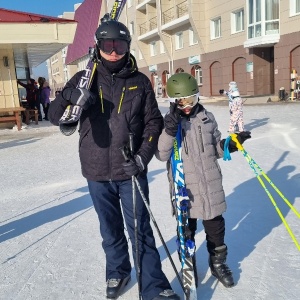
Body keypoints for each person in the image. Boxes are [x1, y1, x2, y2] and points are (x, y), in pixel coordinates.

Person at [48, 20, 180, 300]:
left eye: (119, 45)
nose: (114, 52)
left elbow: (153, 123)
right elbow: (54, 115)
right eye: (107, 45)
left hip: (130, 168)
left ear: (127, 47)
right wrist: (69, 95)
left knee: (139, 230)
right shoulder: (84, 78)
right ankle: (118, 271)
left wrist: (143, 157)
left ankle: (154, 287)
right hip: (96, 171)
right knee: (109, 229)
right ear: (98, 46)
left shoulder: (140, 81)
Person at [155, 73, 251, 289]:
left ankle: (218, 263)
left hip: (210, 186)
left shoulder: (207, 118)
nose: (187, 106)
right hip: (186, 189)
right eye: (181, 102)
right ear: (172, 102)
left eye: (192, 100)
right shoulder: (168, 123)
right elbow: (161, 154)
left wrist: (231, 144)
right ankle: (188, 264)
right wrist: (170, 131)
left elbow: (216, 148)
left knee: (216, 228)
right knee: (186, 229)